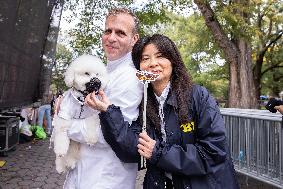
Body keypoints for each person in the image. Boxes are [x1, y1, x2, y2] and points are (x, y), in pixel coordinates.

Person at [87, 34, 239, 188]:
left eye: (160, 56)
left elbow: (213, 153)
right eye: (145, 59)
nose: (153, 63)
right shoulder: (143, 103)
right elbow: (131, 150)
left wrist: (158, 152)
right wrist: (108, 112)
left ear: (172, 60)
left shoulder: (198, 96)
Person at [62, 8, 143, 188]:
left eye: (120, 33)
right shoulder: (103, 71)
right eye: (108, 31)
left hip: (106, 177)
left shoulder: (130, 78)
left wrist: (64, 124)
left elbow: (109, 134)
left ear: (134, 39)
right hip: (83, 171)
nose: (111, 38)